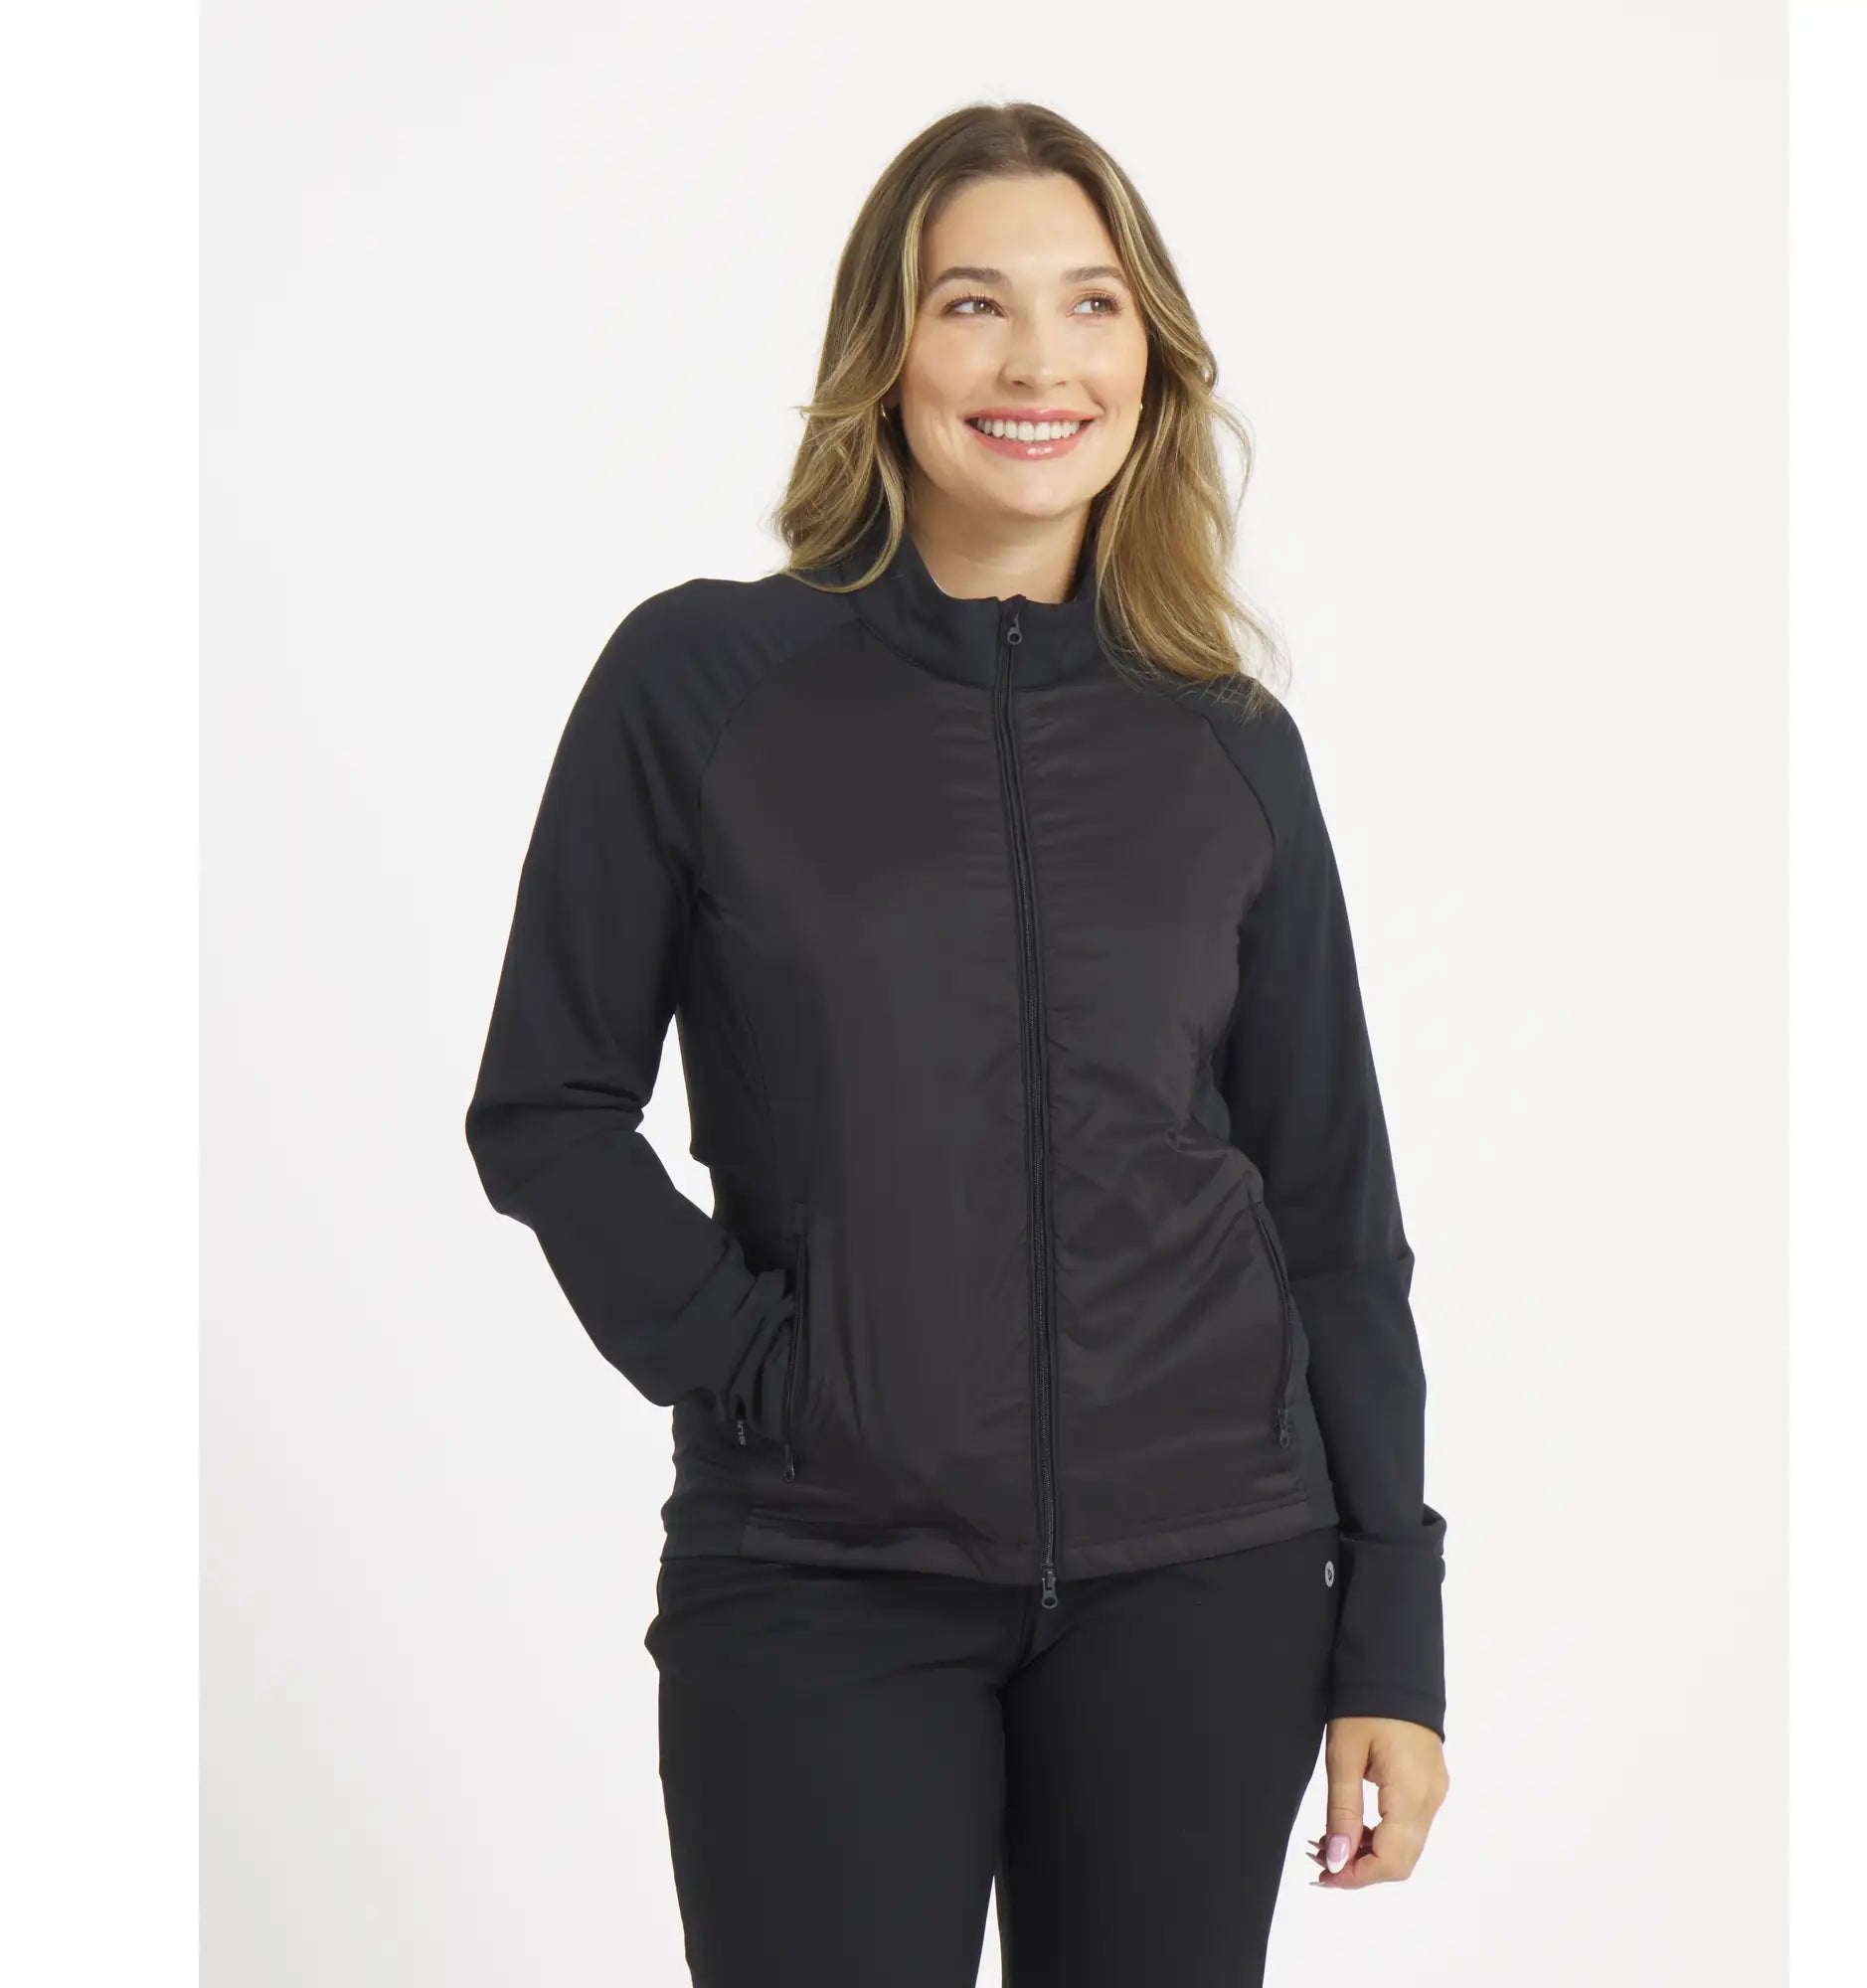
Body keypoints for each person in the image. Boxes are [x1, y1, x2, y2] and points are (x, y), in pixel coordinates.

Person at [465, 99, 1449, 1988]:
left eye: (1091, 306)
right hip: (819, 1577)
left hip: (1207, 1577)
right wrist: (766, 1370)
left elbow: (1333, 1206)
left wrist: (1392, 1630)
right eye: (972, 303)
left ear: (1150, 362)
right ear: (886, 350)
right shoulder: (706, 683)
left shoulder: (1226, 739)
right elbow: (550, 1108)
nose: (1035, 364)